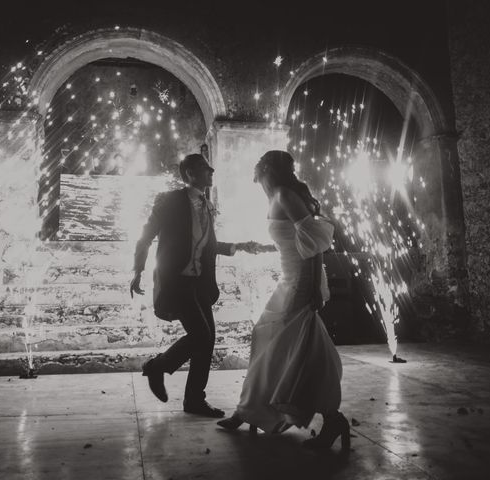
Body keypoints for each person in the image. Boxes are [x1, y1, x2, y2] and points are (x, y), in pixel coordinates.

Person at [217, 150, 350, 451]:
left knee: (293, 346)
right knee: (272, 339)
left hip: (301, 281)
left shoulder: (284, 194)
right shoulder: (277, 196)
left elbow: (314, 245)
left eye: (260, 178)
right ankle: (249, 411)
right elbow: (288, 237)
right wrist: (262, 247)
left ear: (267, 172)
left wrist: (315, 286)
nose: (259, 185)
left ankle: (330, 418)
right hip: (289, 276)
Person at [131, 153, 236, 418]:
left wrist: (238, 247)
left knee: (207, 339)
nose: (211, 170)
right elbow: (144, 237)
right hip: (176, 281)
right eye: (204, 167)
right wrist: (138, 271)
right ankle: (158, 366)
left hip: (200, 284)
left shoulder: (206, 204)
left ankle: (194, 400)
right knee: (201, 335)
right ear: (190, 174)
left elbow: (208, 244)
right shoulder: (169, 201)